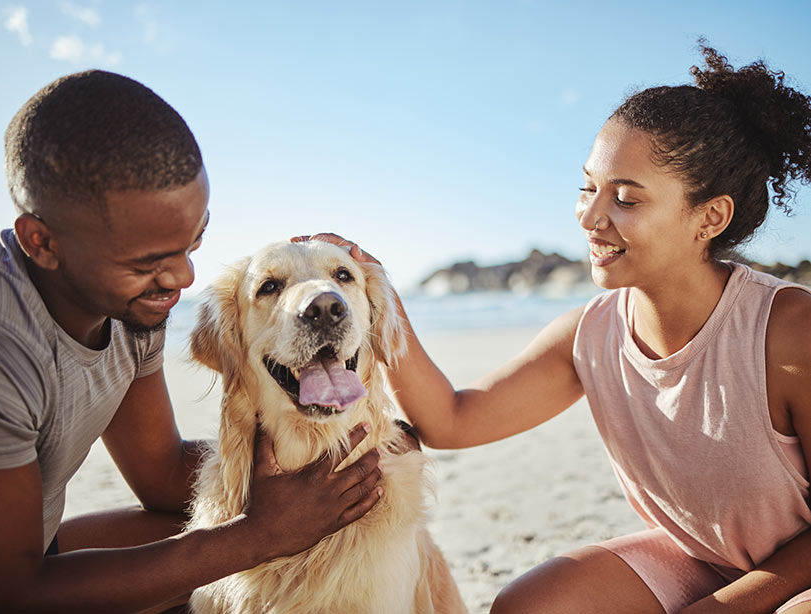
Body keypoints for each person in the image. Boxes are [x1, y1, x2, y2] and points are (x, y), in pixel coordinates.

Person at [309, 45, 811, 613]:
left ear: (710, 217)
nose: (591, 216)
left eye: (625, 198)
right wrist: (380, 298)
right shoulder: (590, 336)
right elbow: (451, 419)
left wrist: (721, 608)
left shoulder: (790, 330)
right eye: (586, 187)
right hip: (700, 557)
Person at [0, 70, 385, 613]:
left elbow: (160, 478)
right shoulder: (3, 350)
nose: (181, 277)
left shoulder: (127, 308)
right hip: (13, 582)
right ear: (42, 241)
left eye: (192, 241)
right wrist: (258, 535)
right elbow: (12, 593)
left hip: (33, 551)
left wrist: (335, 464)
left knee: (189, 527)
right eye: (148, 261)